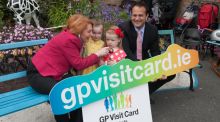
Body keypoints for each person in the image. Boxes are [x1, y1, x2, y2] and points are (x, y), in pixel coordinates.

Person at [27, 14, 110, 122]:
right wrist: (98, 54)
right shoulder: (68, 40)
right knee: (60, 92)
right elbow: (78, 64)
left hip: (51, 74)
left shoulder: (72, 37)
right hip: (37, 74)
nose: (91, 34)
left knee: (76, 86)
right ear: (80, 30)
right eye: (89, 31)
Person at [118, 1, 175, 94]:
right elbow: (126, 52)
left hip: (144, 61)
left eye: (140, 15)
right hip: (128, 63)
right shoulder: (124, 28)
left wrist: (159, 68)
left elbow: (155, 52)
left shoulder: (152, 30)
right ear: (131, 15)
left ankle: (145, 93)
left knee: (171, 73)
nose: (137, 18)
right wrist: (141, 69)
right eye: (134, 15)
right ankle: (137, 93)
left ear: (147, 16)